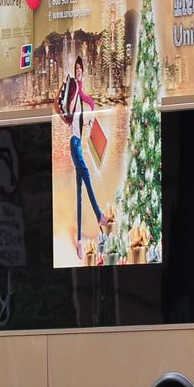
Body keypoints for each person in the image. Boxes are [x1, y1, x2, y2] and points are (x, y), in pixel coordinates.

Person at [57, 55, 113, 251]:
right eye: (77, 68)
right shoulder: (74, 91)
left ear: (84, 71)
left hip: (79, 142)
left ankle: (79, 242)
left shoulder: (83, 95)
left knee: (80, 192)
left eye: (81, 68)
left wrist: (89, 118)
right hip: (74, 143)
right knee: (87, 177)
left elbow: (91, 103)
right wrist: (72, 90)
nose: (79, 71)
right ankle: (100, 216)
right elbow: (70, 111)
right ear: (75, 71)